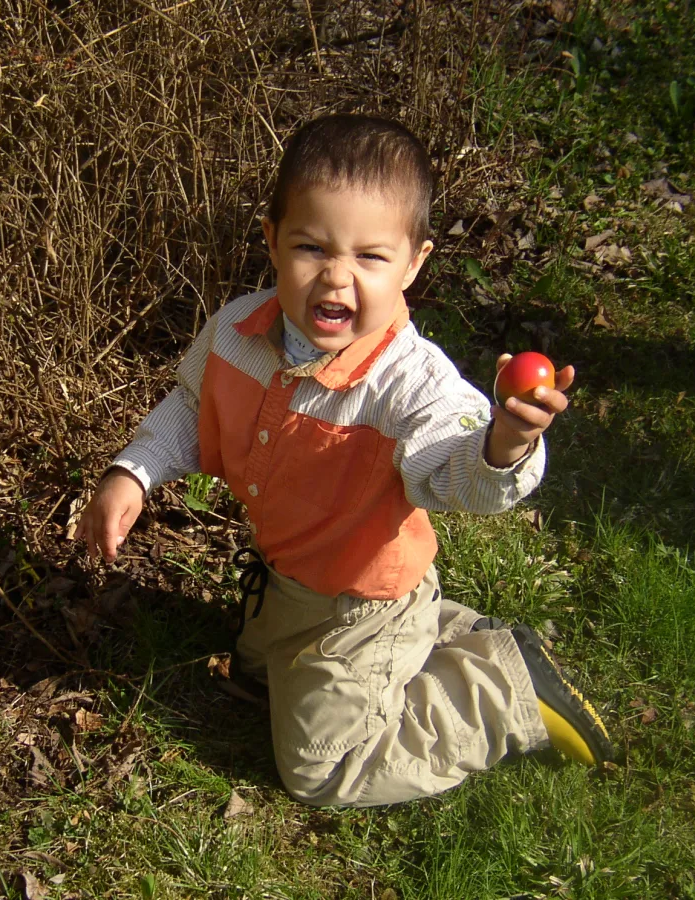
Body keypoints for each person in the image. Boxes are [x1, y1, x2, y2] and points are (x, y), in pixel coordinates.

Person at [74, 113, 614, 807]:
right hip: (292, 577)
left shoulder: (410, 384)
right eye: (311, 247)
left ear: (414, 263)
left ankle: (497, 691)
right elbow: (188, 407)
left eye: (370, 257)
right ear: (272, 241)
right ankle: (451, 632)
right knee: (259, 668)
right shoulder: (237, 332)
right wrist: (133, 471)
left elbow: (458, 468)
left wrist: (505, 442)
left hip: (365, 600)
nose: (336, 277)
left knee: (319, 766)